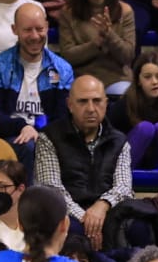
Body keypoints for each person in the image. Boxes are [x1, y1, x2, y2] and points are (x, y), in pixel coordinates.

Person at [34, 75, 135, 252]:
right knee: (69, 233)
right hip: (68, 215)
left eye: (97, 101)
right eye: (83, 102)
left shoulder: (119, 140)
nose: (91, 108)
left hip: (108, 214)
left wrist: (102, 206)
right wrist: (87, 220)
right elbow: (53, 190)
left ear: (105, 103)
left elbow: (124, 187)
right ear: (70, 105)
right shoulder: (49, 137)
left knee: (139, 229)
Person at [0, 3, 75, 163]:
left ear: (47, 27)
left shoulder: (62, 69)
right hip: (7, 137)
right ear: (14, 30)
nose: (35, 36)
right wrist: (22, 126)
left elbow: (63, 118)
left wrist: (40, 133)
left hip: (49, 137)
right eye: (28, 30)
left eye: (39, 29)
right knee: (28, 148)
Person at [57, 0, 135, 94]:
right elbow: (67, 56)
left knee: (125, 96)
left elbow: (128, 55)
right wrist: (95, 44)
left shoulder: (125, 11)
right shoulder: (68, 12)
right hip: (82, 80)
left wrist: (109, 35)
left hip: (117, 79)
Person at [108, 50, 158, 181]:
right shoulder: (123, 105)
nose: (155, 82)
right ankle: (119, 185)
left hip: (155, 158)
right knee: (146, 128)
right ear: (138, 80)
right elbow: (110, 143)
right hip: (123, 163)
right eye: (148, 77)